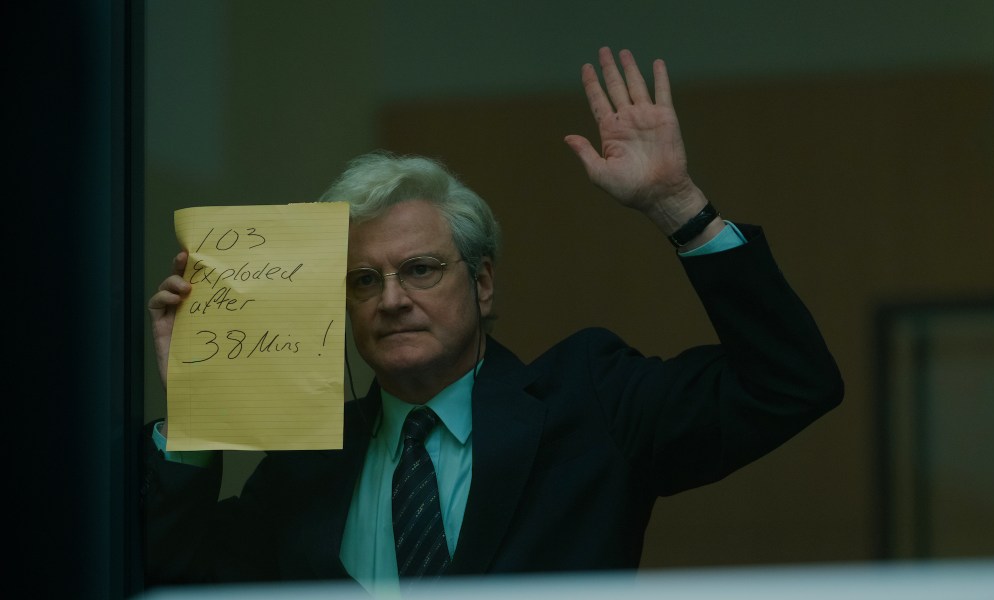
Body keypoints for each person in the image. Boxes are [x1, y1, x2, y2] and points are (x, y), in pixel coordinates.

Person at [144, 47, 842, 594]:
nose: (391, 299)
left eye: (420, 269)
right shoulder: (306, 462)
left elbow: (789, 384)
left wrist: (677, 206)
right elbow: (170, 576)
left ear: (480, 283)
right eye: (364, 280)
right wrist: (198, 407)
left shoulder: (589, 406)